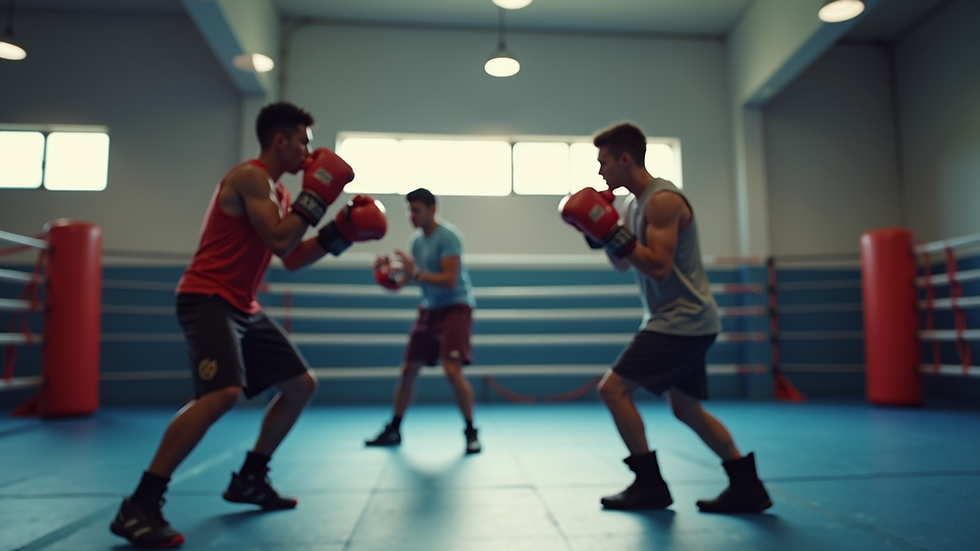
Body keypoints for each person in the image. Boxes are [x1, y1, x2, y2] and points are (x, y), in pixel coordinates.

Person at [110, 102, 387, 548]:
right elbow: (281, 237)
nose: (308, 153)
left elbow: (291, 257)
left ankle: (250, 478)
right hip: (207, 297)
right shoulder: (250, 177)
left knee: (300, 386)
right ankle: (139, 504)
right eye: (303, 142)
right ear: (280, 141)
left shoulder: (277, 194)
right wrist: (316, 197)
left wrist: (341, 232)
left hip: (242, 304)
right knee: (220, 395)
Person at [560, 122, 772, 513]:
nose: (601, 171)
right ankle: (747, 486)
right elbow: (625, 266)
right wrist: (601, 231)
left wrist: (611, 233)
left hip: (682, 319)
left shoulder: (663, 200)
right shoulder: (632, 205)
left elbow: (657, 267)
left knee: (612, 390)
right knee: (686, 409)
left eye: (604, 162)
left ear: (626, 160)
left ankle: (649, 485)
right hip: (677, 318)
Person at [366, 187, 481, 454]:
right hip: (430, 309)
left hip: (455, 307)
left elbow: (448, 280)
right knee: (408, 369)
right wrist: (389, 271)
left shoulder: (449, 237)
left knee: (452, 370)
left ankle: (471, 431)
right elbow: (409, 279)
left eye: (416, 210)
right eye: (409, 210)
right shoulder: (416, 242)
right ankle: (394, 428)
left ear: (432, 209)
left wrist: (414, 273)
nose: (411, 215)